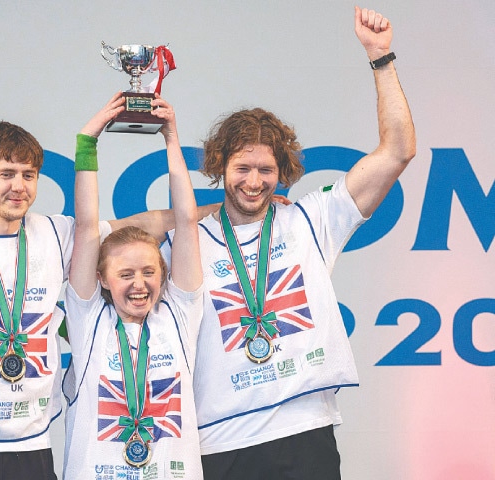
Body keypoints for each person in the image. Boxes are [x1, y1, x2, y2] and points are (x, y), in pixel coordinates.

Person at [161, 7, 416, 479]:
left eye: (266, 170)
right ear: (219, 166)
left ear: (282, 172)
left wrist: (381, 59)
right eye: (242, 168)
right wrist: (193, 214)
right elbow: (109, 234)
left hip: (306, 430)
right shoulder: (184, 243)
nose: (254, 181)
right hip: (223, 440)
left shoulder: (311, 220)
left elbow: (398, 151)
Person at [0, 117, 202, 479]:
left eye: (29, 175)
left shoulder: (54, 234)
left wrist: (227, 213)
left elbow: (144, 225)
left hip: (31, 448)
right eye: (6, 174)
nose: (18, 186)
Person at [62, 92, 204, 479]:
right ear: (102, 279)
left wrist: (171, 137)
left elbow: (186, 221)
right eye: (125, 275)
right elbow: (86, 226)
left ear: (163, 273)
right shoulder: (89, 319)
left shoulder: (179, 315)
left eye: (148, 272)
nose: (139, 284)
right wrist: (87, 142)